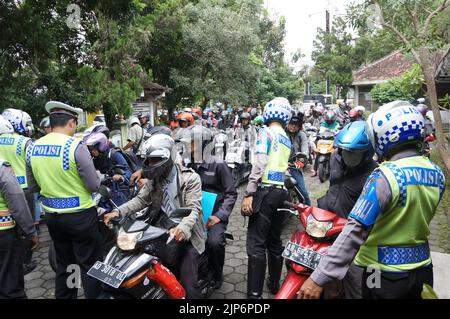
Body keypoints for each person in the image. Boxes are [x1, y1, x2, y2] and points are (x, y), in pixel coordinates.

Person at [298, 101, 446, 299]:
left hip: (379, 273)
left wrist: (319, 277)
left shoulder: (385, 176)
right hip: (422, 271)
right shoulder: (437, 173)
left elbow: (355, 230)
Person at [103, 134, 206, 299]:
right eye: (149, 160)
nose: (151, 164)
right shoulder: (155, 179)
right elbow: (140, 200)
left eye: (155, 160)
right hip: (160, 228)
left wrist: (182, 228)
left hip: (187, 233)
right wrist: (118, 211)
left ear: (168, 157)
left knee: (188, 286)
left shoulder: (190, 178)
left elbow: (193, 209)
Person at [26, 101, 102, 299]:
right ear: (71, 123)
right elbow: (93, 185)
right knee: (91, 266)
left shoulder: (33, 147)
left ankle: (69, 296)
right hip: (81, 218)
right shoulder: (75, 146)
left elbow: (32, 186)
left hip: (53, 218)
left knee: (67, 264)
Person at [316, 121, 377, 298]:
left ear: (367, 152)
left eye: (354, 153)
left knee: (356, 287)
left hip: (353, 237)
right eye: (345, 150)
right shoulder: (336, 156)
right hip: (328, 226)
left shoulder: (375, 174)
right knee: (324, 282)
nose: (348, 155)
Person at [241, 97, 293, 299]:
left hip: (264, 192)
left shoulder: (266, 132)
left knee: (256, 244)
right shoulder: (286, 137)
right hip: (281, 192)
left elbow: (260, 163)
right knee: (274, 240)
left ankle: (254, 297)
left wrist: (249, 192)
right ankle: (273, 284)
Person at [178, 125, 237, 290]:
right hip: (191, 214)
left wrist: (220, 215)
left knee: (214, 243)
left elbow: (231, 193)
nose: (187, 146)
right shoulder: (185, 163)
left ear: (203, 144)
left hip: (213, 216)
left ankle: (217, 274)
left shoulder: (219, 164)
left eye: (191, 143)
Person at [1, 108, 37, 274]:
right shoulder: (24, 142)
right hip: (24, 190)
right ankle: (26, 261)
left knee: (10, 226)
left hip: (3, 188)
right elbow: (34, 165)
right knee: (25, 226)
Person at [0, 157, 39, 299]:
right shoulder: (1, 167)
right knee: (10, 283)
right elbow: (17, 203)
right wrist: (31, 231)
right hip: (3, 233)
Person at [84, 132, 132, 207]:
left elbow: (128, 171)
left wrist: (120, 177)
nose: (92, 151)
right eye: (90, 148)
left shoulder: (114, 154)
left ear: (101, 146)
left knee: (119, 213)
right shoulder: (96, 159)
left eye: (93, 148)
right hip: (104, 189)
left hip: (119, 190)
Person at [285, 111, 311, 206]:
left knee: (303, 193)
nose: (293, 126)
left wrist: (301, 159)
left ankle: (308, 213)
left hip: (293, 166)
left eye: (296, 124)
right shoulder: (282, 133)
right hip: (280, 166)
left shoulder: (302, 135)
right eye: (291, 123)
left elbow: (305, 150)